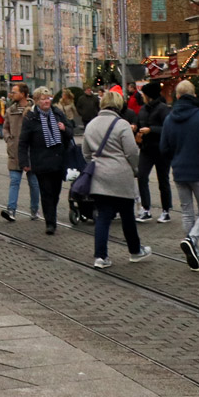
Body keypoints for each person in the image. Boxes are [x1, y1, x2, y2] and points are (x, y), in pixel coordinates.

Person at [82, 88, 148, 268]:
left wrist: (96, 163)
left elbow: (86, 153)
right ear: (118, 105)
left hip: (99, 177)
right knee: (127, 216)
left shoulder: (91, 125)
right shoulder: (122, 124)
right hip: (121, 176)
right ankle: (135, 251)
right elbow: (132, 151)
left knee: (103, 216)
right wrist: (134, 168)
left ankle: (100, 257)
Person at [161, 79, 199, 269]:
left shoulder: (169, 118)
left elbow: (164, 148)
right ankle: (192, 239)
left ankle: (196, 253)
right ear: (194, 95)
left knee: (187, 212)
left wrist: (175, 158)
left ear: (177, 96)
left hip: (179, 171)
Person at [14, 86, 73, 234]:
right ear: (36, 100)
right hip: (41, 161)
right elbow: (23, 142)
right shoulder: (31, 117)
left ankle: (51, 214)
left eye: (48, 98)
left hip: (58, 161)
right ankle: (50, 223)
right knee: (46, 193)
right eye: (43, 99)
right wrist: (24, 162)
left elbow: (70, 132)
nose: (47, 101)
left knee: (56, 192)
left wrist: (64, 129)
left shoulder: (58, 113)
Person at [133, 80, 172, 222]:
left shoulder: (163, 109)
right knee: (142, 177)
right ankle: (146, 209)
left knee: (163, 180)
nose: (142, 96)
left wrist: (151, 130)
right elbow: (139, 123)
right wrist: (135, 129)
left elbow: (168, 129)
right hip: (146, 149)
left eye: (144, 94)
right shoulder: (143, 109)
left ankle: (166, 210)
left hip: (161, 150)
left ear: (149, 95)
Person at [1, 83, 39, 222]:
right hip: (15, 151)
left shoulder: (34, 110)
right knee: (14, 181)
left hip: (31, 152)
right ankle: (11, 210)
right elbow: (5, 127)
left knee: (33, 183)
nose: (12, 94)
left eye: (14, 92)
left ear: (23, 94)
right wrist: (8, 138)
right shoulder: (11, 110)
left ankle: (34, 210)